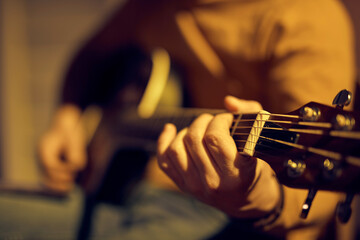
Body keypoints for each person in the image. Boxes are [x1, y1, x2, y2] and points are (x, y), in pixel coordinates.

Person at [38, 0, 357, 239]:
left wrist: (253, 194)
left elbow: (319, 194)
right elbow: (90, 58)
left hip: (224, 217)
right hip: (126, 187)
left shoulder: (306, 17)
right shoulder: (154, 5)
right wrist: (67, 117)